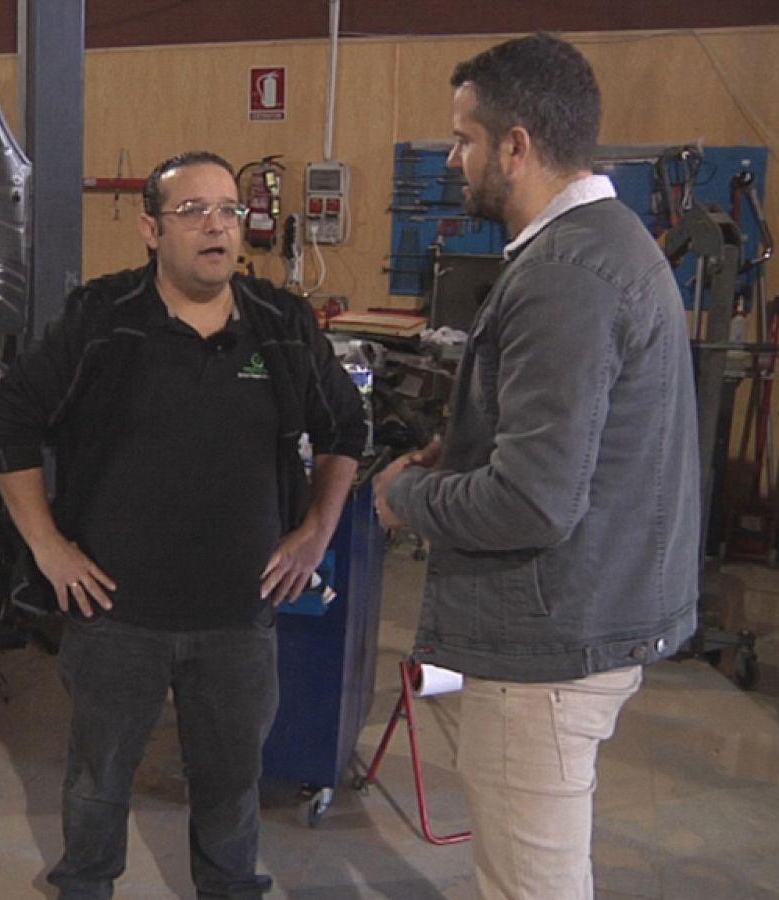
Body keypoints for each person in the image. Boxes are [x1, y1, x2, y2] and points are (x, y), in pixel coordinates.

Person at [372, 33, 700, 900]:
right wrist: (470, 449)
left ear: (516, 146)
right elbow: (580, 444)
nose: (454, 158)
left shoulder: (566, 274)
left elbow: (532, 502)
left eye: (465, 138)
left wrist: (408, 494)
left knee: (531, 885)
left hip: (545, 653)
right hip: (584, 620)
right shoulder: (609, 245)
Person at [0, 151, 366, 899]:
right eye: (194, 212)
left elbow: (345, 428)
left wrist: (317, 533)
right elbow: (12, 419)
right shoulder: (103, 320)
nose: (217, 227)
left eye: (228, 210)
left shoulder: (280, 326)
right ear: (151, 229)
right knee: (97, 790)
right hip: (115, 618)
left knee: (230, 794)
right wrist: (48, 545)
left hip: (238, 616)